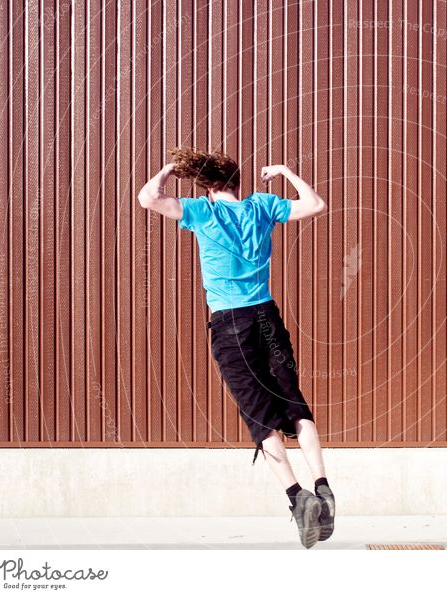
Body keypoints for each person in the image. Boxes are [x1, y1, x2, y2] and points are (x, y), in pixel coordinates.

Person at [137, 148, 335, 549]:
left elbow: (147, 198)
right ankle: (322, 483)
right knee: (294, 402)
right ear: (239, 184)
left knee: (259, 416)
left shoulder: (203, 212)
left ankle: (299, 499)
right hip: (267, 317)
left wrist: (169, 169)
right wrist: (285, 171)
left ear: (209, 189)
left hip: (230, 324)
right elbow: (316, 205)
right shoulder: (262, 206)